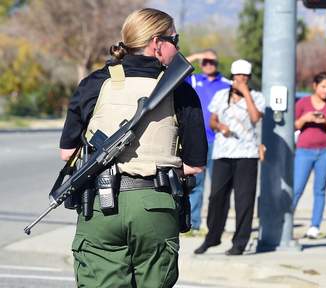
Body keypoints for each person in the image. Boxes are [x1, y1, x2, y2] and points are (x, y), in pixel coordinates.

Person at [59, 8, 207, 287]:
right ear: (156, 43)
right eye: (175, 40)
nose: (177, 47)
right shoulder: (181, 90)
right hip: (156, 204)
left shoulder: (95, 83)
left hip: (100, 206)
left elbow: (67, 153)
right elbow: (195, 164)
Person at [194, 59, 265, 256]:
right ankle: (212, 237)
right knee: (217, 197)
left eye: (244, 77)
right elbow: (212, 120)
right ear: (232, 77)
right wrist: (220, 127)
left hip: (247, 154)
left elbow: (255, 118)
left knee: (244, 199)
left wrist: (247, 94)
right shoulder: (221, 95)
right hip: (223, 153)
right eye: (237, 77)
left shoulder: (257, 97)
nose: (240, 80)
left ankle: (240, 243)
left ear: (249, 78)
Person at [185, 49, 231, 232]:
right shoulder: (194, 80)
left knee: (219, 186)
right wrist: (196, 56)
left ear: (217, 63)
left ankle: (216, 225)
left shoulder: (227, 84)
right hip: (196, 140)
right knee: (196, 185)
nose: (208, 65)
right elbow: (171, 69)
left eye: (212, 62)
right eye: (205, 62)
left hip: (219, 141)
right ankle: (194, 224)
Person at [292, 72, 326, 239]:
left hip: (325, 152)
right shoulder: (303, 103)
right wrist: (305, 118)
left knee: (319, 190)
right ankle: (285, 222)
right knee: (297, 188)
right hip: (304, 151)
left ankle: (315, 226)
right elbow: (293, 126)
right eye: (323, 87)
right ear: (314, 86)